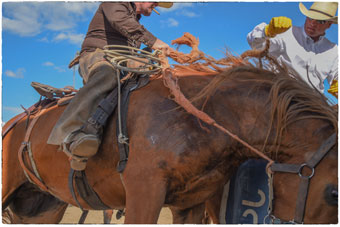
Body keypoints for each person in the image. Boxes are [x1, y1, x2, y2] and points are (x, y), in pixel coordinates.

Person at [47, 2, 173, 170]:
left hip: (124, 61)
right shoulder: (114, 4)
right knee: (108, 74)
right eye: (155, 0)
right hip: (98, 55)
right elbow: (119, 20)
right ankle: (70, 134)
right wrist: (154, 42)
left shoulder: (133, 22)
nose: (157, 4)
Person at [247, 2, 338, 95]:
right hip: (278, 96)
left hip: (313, 104)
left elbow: (337, 75)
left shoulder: (333, 50)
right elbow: (256, 45)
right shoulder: (286, 32)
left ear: (329, 24)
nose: (313, 23)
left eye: (320, 21)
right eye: (311, 17)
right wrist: (266, 31)